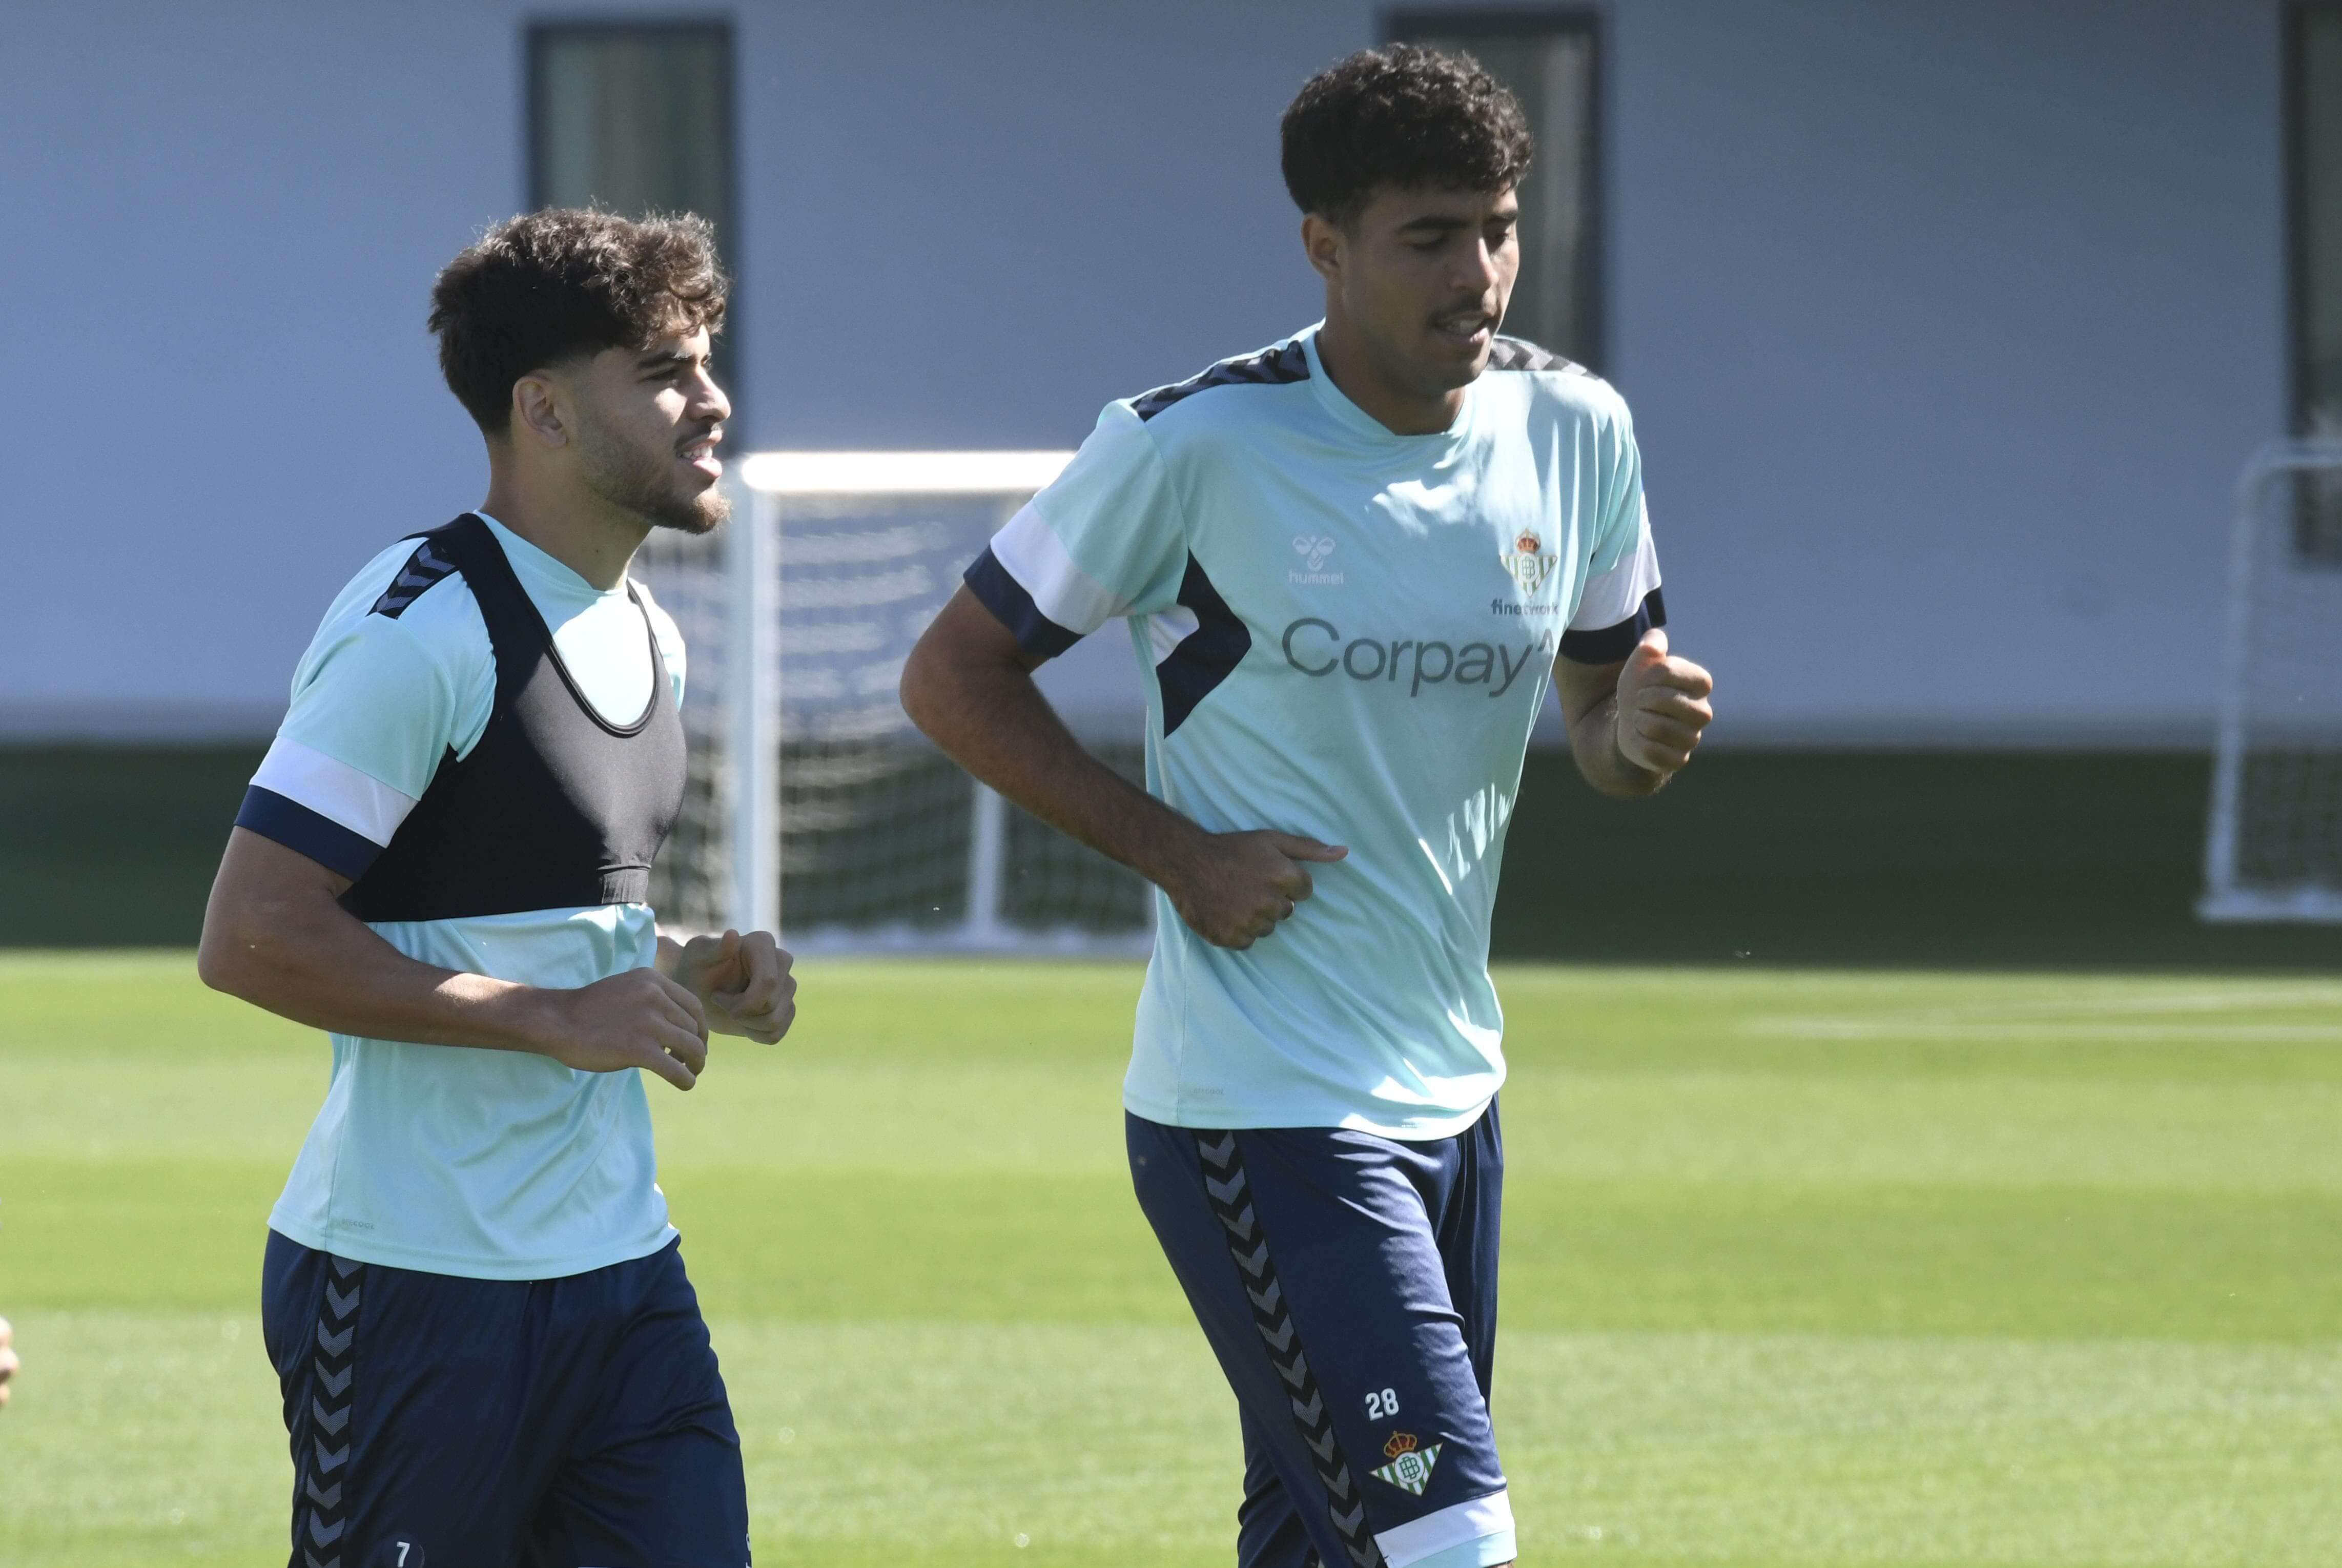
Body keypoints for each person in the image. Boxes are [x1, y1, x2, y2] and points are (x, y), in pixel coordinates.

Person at [900, 45, 1713, 1568]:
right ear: (1323, 246)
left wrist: (1640, 732)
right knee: (1447, 1542)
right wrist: (1179, 855)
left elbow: (1606, 721)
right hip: (1263, 1107)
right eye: (1430, 237)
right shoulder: (1191, 444)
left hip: (1454, 1090)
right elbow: (950, 676)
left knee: (1326, 1540)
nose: (1478, 273)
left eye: (1500, 228)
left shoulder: (1577, 430)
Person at [198, 208, 792, 1568]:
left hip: (623, 1278)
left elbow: (514, 913)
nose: (712, 401)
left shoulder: (648, 630)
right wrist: (552, 1017)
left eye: (705, 362)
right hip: (414, 1288)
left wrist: (683, 968)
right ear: (545, 410)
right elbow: (251, 935)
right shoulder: (423, 627)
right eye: (665, 371)